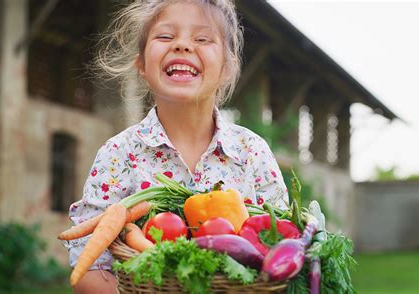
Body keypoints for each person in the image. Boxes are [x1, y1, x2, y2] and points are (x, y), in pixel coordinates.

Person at [67, 0, 289, 293]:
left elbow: (284, 247)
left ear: (226, 68)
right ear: (142, 65)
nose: (182, 46)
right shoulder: (118, 154)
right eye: (165, 36)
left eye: (202, 39)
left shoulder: (252, 153)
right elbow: (88, 267)